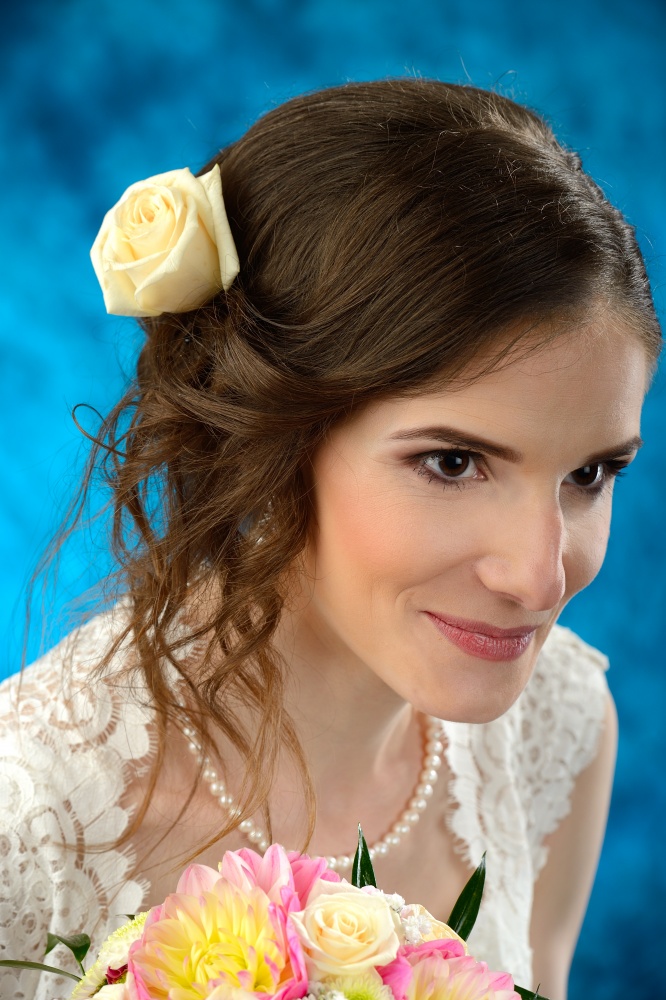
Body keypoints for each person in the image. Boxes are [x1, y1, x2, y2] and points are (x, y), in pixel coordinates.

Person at [0, 78, 660, 1000]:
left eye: (590, 475)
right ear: (274, 435)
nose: (539, 577)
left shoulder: (561, 730)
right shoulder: (26, 823)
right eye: (453, 463)